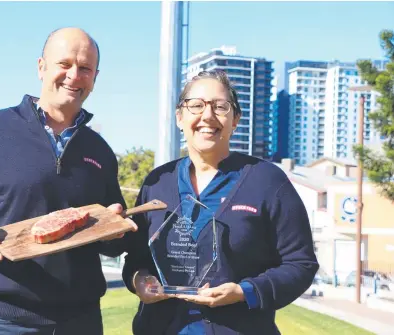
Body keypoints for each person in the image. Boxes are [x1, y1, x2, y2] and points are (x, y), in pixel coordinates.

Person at [0, 27, 136, 334]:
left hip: (82, 321)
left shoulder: (100, 151)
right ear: (41, 67)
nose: (74, 75)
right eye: (64, 64)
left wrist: (115, 231)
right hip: (5, 322)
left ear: (95, 78)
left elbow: (113, 242)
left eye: (85, 68)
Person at [121, 70, 319, 334]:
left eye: (220, 106)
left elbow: (301, 264)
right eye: (196, 105)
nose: (207, 115)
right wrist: (140, 281)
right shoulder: (158, 182)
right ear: (180, 117)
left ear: (235, 119)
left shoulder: (267, 180)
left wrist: (243, 291)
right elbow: (136, 259)